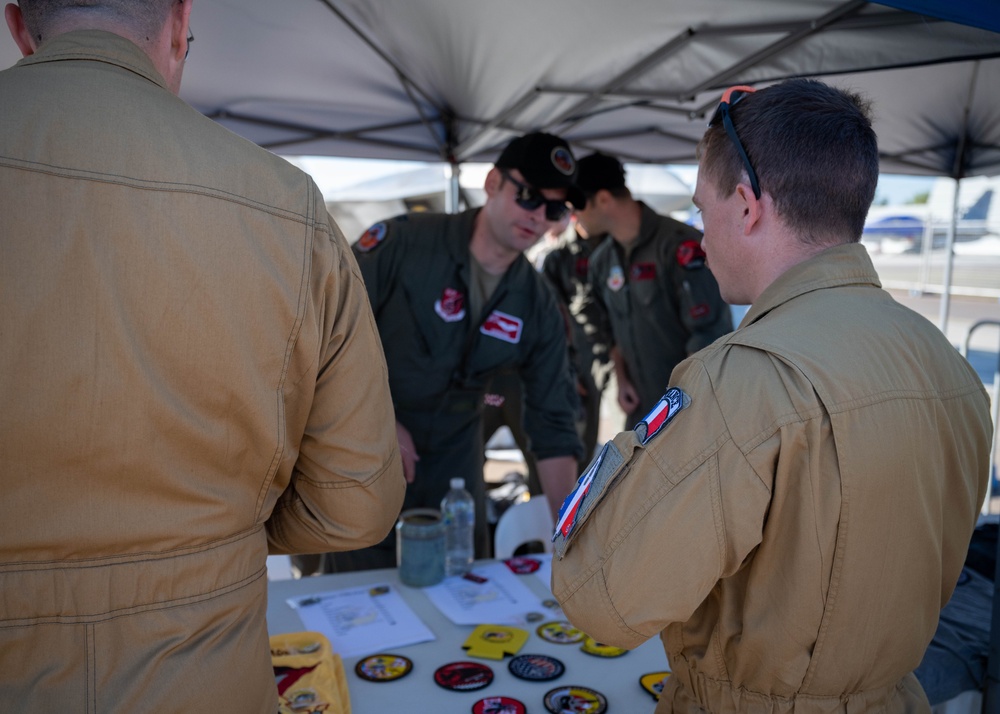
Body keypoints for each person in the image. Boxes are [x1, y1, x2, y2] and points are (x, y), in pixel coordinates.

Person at [0, 2, 405, 712]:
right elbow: (358, 504)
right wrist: (216, 539)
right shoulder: (287, 207)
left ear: (18, 26)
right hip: (202, 676)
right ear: (181, 24)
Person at [551, 79, 993, 713]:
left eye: (704, 212)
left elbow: (600, 598)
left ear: (747, 204)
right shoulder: (949, 369)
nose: (700, 239)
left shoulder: (743, 379)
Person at [335, 132, 586, 571]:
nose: (538, 216)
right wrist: (377, 417)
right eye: (528, 196)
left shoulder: (538, 304)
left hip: (456, 483)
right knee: (360, 612)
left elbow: (554, 427)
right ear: (492, 182)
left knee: (462, 611)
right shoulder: (403, 243)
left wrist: (575, 546)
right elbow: (324, 332)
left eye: (555, 208)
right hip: (364, 460)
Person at [575, 152, 732, 429]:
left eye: (577, 204)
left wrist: (681, 403)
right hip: (638, 412)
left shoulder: (679, 247)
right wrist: (621, 378)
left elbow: (708, 334)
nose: (573, 214)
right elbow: (607, 328)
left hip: (690, 412)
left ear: (602, 200)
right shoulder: (602, 261)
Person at [540, 217, 613, 467]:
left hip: (618, 361)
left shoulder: (615, 248)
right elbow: (552, 323)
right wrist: (568, 370)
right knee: (578, 442)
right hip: (579, 364)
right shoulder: (557, 258)